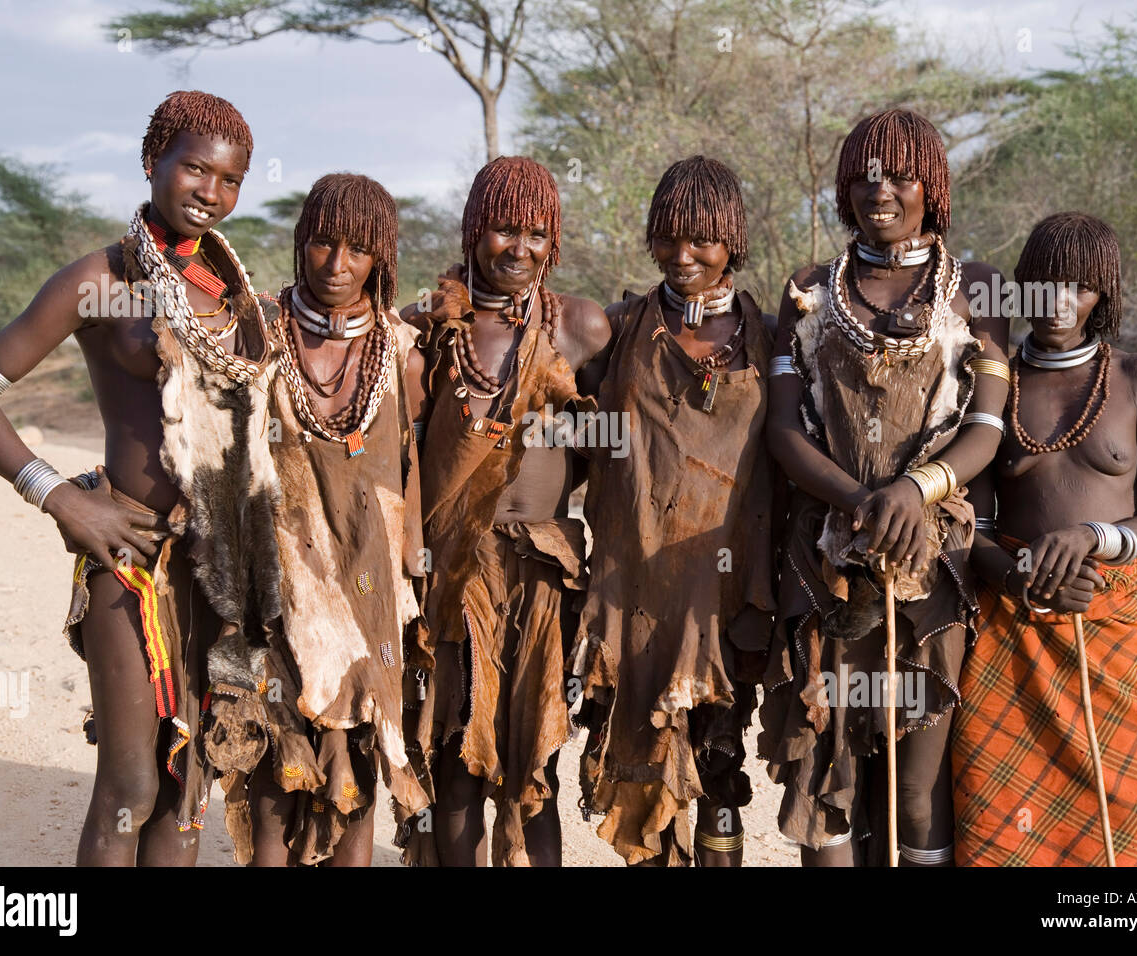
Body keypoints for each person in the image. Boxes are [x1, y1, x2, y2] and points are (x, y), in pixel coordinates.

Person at [0, 90, 280, 865]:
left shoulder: (233, 295)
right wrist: (55, 493)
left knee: (189, 784)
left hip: (220, 569)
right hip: (128, 559)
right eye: (195, 169)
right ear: (151, 161)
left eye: (230, 180)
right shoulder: (99, 281)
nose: (212, 194)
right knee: (131, 785)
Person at [758, 108, 1011, 866]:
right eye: (865, 175)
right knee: (826, 764)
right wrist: (861, 500)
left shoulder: (979, 288)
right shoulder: (807, 290)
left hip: (931, 560)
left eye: (901, 175)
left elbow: (988, 427)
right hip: (827, 557)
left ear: (931, 185)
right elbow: (783, 430)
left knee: (916, 785)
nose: (882, 190)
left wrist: (916, 490)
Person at [400, 156, 612, 866]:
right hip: (455, 571)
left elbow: (614, 447)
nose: (517, 249)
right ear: (472, 229)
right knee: (459, 759)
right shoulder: (428, 330)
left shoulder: (581, 327)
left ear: (553, 240)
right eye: (501, 230)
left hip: (547, 573)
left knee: (536, 766)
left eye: (535, 234)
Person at [952, 212, 1137, 866]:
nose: (1058, 303)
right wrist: (1014, 574)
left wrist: (1092, 537)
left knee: (1120, 819)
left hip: (1113, 627)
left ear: (1103, 295)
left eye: (1079, 288)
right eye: (1044, 285)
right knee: (996, 821)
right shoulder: (993, 381)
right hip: (1013, 629)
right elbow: (976, 528)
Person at [570, 155, 776, 867]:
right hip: (633, 589)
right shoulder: (617, 331)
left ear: (733, 243)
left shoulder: (769, 337)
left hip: (725, 590)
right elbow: (563, 432)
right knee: (639, 758)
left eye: (702, 241)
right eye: (668, 238)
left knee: (717, 766)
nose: (683, 256)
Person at [219, 174, 431, 866]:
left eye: (358, 250)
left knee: (358, 771)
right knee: (276, 764)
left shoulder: (403, 350)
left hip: (371, 595)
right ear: (299, 244)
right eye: (322, 244)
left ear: (383, 259)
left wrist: (415, 565)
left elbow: (414, 464)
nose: (337, 265)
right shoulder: (254, 330)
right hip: (276, 585)